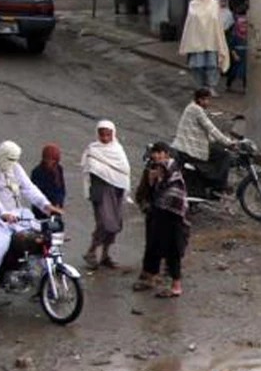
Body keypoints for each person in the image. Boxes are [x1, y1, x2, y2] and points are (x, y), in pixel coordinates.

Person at [0, 141, 57, 316]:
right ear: (2, 155)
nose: (13, 163)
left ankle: (45, 281)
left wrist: (45, 205)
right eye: (10, 159)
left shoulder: (14, 167)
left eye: (15, 159)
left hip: (16, 213)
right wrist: (1, 212)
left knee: (41, 240)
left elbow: (28, 187)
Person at [135, 142, 188, 299]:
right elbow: (144, 191)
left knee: (173, 251)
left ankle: (175, 286)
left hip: (173, 218)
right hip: (156, 215)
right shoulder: (151, 170)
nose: (157, 156)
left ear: (167, 154)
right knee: (152, 246)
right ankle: (150, 276)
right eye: (154, 153)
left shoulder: (172, 172)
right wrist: (147, 205)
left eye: (160, 153)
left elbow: (174, 196)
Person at [80, 120, 130, 269]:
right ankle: (91, 251)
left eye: (108, 135)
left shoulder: (117, 150)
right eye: (102, 135)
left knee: (115, 224)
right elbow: (91, 170)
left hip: (116, 191)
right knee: (104, 223)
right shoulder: (93, 150)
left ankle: (105, 255)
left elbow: (125, 170)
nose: (105, 138)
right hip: (101, 192)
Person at [171, 88, 234, 192]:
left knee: (217, 150)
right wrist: (228, 143)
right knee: (225, 155)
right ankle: (219, 185)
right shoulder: (197, 110)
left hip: (185, 145)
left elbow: (204, 131)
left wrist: (218, 140)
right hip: (190, 148)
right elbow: (211, 129)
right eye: (205, 100)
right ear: (199, 99)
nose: (207, 102)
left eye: (208, 99)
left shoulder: (191, 107)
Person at [179, 0, 229, 93]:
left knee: (212, 66)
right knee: (197, 66)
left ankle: (211, 87)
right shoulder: (193, 4)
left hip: (211, 41)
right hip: (196, 41)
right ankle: (199, 86)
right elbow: (189, 24)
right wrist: (185, 43)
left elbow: (218, 24)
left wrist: (220, 41)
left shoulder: (214, 4)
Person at [29, 144, 66, 213]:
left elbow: (61, 188)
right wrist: (47, 204)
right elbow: (35, 192)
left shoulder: (59, 169)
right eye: (50, 159)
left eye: (54, 160)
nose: (52, 162)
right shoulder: (37, 172)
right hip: (41, 209)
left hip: (56, 207)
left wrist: (59, 202)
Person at [224, 13, 248, 94]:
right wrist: (234, 55)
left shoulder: (249, 35)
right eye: (242, 24)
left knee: (246, 73)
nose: (244, 26)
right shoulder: (235, 35)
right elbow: (231, 46)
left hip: (246, 55)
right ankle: (228, 85)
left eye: (245, 24)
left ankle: (245, 88)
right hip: (237, 55)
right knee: (233, 72)